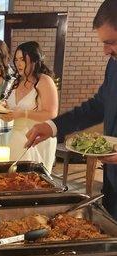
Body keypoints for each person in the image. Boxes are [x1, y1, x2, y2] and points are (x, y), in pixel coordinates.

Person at [26, 0, 117, 220]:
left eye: (111, 42)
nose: (105, 51)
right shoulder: (114, 64)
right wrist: (53, 126)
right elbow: (98, 105)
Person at [0, 41, 58, 172]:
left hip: (37, 138)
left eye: (23, 60)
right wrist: (3, 110)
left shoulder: (44, 81)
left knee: (34, 180)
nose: (18, 64)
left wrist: (23, 114)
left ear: (34, 60)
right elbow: (12, 107)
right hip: (15, 138)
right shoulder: (16, 81)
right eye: (16, 60)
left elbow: (52, 113)